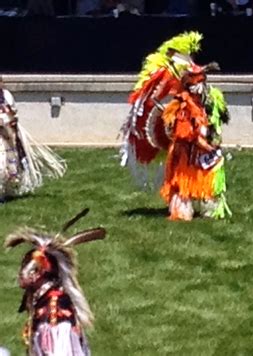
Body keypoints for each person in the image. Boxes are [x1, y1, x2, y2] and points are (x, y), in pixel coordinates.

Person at [120, 32, 231, 220]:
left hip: (204, 152)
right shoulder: (181, 106)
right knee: (182, 183)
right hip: (185, 153)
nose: (199, 87)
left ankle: (209, 207)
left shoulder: (211, 100)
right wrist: (204, 143)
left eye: (202, 81)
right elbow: (186, 134)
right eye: (195, 83)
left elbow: (216, 123)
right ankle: (181, 209)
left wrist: (213, 138)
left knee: (210, 178)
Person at [4, 209, 106, 355]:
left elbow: (59, 347)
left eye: (33, 271)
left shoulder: (55, 304)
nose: (24, 275)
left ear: (44, 271)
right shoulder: (43, 297)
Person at [0, 76, 66, 203]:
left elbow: (13, 114)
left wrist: (8, 123)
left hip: (9, 135)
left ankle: (5, 192)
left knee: (9, 165)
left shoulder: (6, 95)